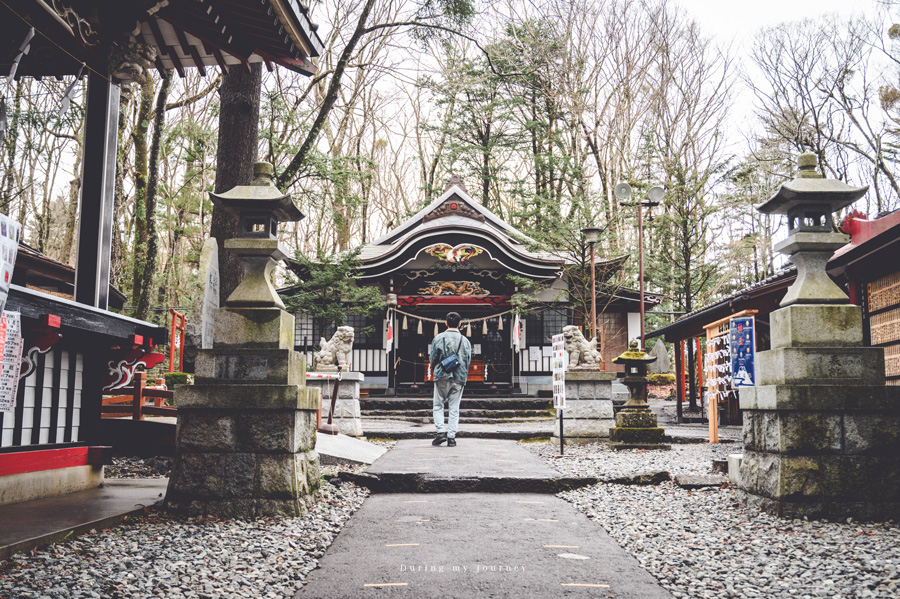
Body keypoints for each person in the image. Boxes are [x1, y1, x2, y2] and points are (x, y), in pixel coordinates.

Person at [429, 311, 472, 447]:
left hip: (441, 374)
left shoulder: (438, 338)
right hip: (459, 377)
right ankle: (451, 438)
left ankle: (441, 432)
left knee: (438, 405)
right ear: (460, 324)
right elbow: (468, 360)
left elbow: (433, 358)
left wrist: (435, 368)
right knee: (454, 408)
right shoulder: (465, 341)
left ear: (446, 323)